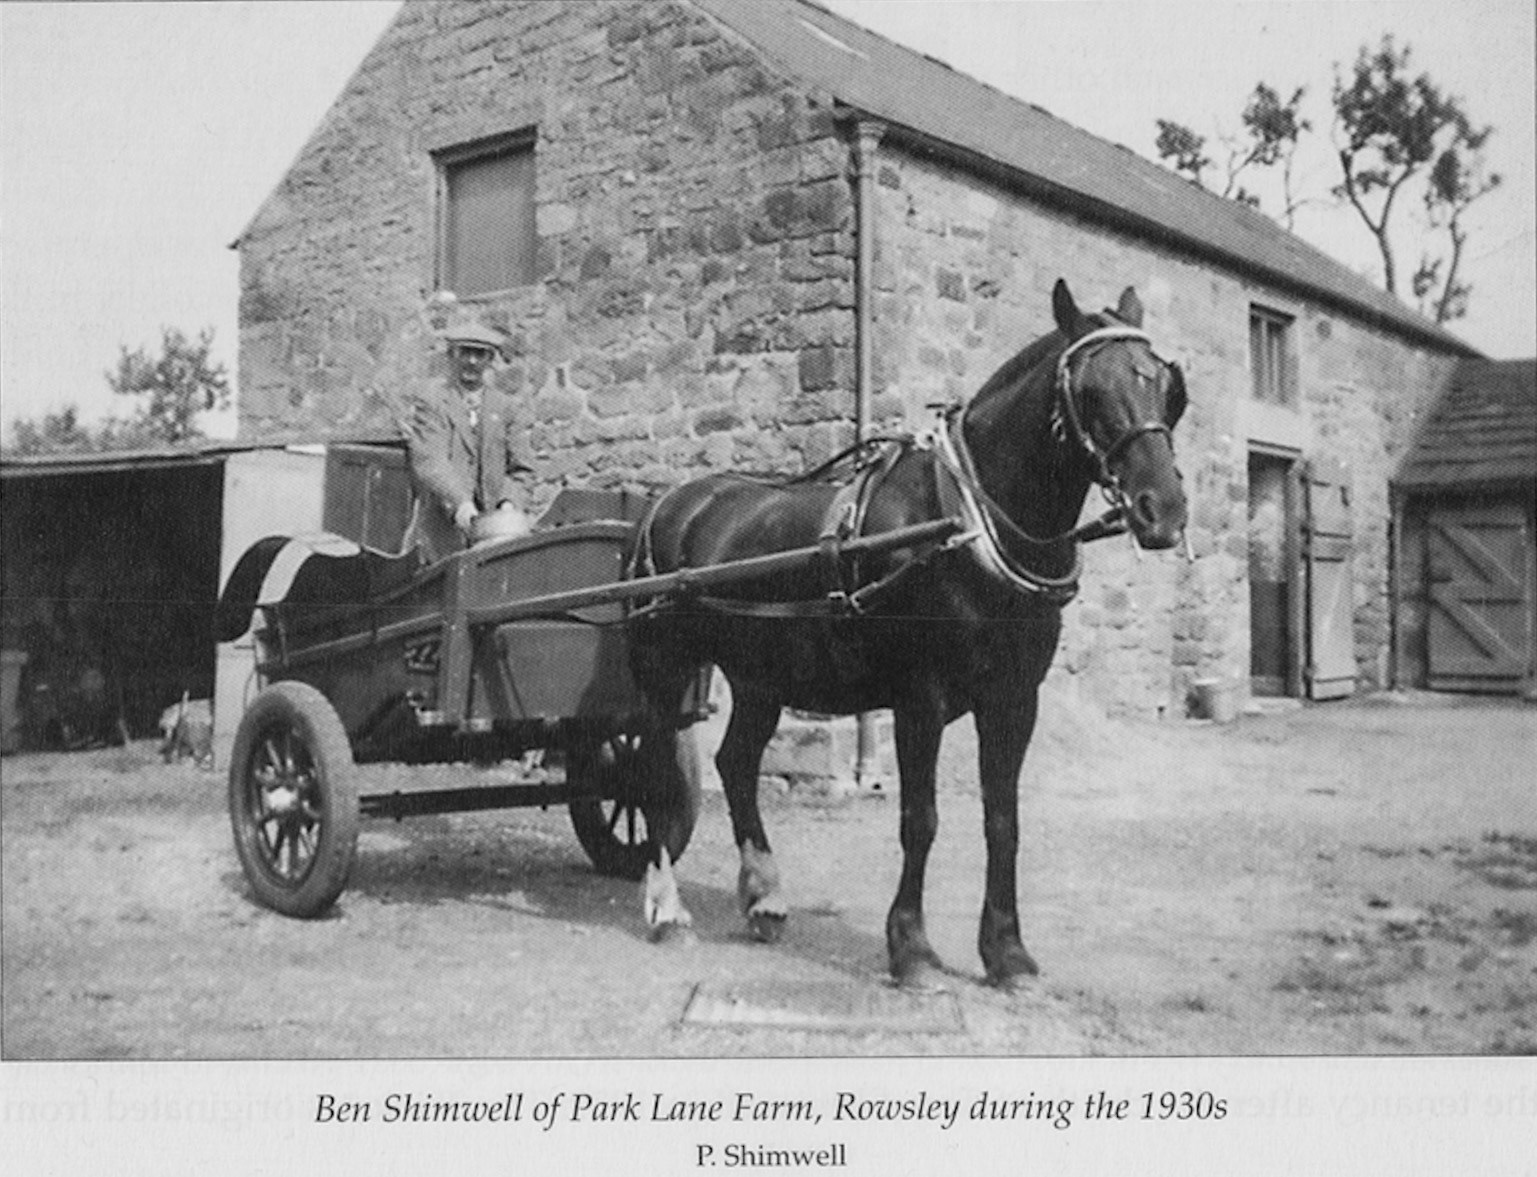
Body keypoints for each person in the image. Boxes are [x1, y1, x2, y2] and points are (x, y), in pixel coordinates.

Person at [399, 318, 533, 563]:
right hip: (441, 533)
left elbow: (521, 468)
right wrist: (459, 501)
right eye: (465, 353)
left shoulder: (506, 408)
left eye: (480, 354)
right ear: (452, 355)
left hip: (493, 533)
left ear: (489, 360)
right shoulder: (433, 403)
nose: (472, 361)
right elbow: (431, 460)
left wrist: (509, 502)